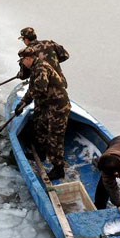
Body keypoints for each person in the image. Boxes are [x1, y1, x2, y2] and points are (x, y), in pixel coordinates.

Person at [14, 46, 71, 180]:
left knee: (54, 137)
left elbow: (39, 88)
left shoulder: (41, 68)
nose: (22, 63)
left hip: (57, 108)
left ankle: (58, 169)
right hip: (47, 106)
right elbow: (32, 87)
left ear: (28, 58)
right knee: (40, 127)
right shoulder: (35, 67)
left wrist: (25, 102)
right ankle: (40, 154)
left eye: (22, 61)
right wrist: (22, 103)